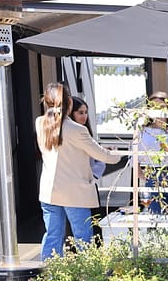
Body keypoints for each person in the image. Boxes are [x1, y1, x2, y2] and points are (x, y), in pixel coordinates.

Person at [36, 82, 121, 259]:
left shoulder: (40, 124)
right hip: (74, 192)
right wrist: (118, 155)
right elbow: (101, 155)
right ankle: (88, 279)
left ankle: (50, 279)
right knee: (83, 238)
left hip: (49, 191)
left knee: (52, 236)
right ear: (69, 102)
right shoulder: (76, 129)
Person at [137, 91, 168, 215]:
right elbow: (134, 155)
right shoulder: (143, 130)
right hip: (152, 173)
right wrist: (142, 175)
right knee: (155, 214)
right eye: (154, 107)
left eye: (161, 107)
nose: (158, 110)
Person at [69, 96, 106, 182]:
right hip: (77, 180)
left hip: (87, 180)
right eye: (80, 112)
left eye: (86, 112)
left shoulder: (85, 131)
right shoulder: (73, 133)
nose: (84, 116)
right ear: (71, 113)